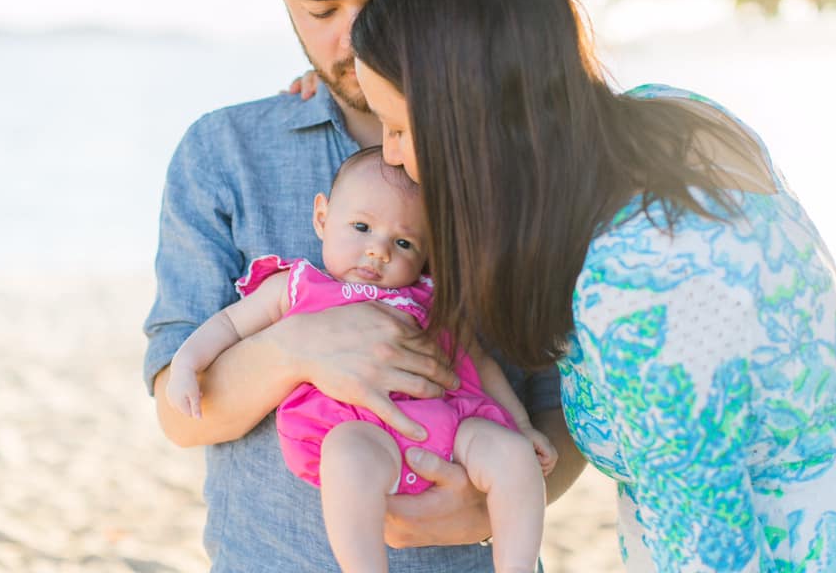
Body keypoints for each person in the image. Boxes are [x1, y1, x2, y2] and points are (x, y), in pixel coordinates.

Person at [349, 0, 836, 571]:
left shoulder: (639, 284)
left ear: (472, 122)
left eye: (402, 128)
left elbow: (711, 555)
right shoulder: (677, 120)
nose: (391, 155)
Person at [142, 0, 585, 571]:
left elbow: (562, 398)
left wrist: (507, 497)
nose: (352, 40)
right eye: (320, 10)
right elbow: (179, 414)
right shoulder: (224, 152)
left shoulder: (519, 157)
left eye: (382, 5)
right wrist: (296, 348)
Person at [166, 147, 557, 573]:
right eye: (361, 227)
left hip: (450, 429)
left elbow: (479, 363)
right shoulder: (296, 286)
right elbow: (228, 324)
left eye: (403, 242)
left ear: (427, 255)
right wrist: (187, 363)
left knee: (514, 456)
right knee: (345, 457)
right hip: (362, 434)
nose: (378, 251)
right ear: (322, 218)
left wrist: (520, 426)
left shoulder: (430, 296)